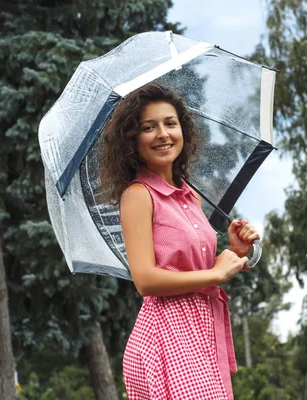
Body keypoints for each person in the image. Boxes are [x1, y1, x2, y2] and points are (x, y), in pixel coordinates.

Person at [99, 82, 260, 400]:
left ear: (183, 131)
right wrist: (216, 274)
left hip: (201, 331)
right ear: (133, 140)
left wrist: (234, 253)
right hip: (165, 335)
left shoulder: (191, 196)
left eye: (170, 123)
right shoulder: (138, 195)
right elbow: (145, 280)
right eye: (149, 127)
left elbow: (189, 270)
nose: (162, 134)